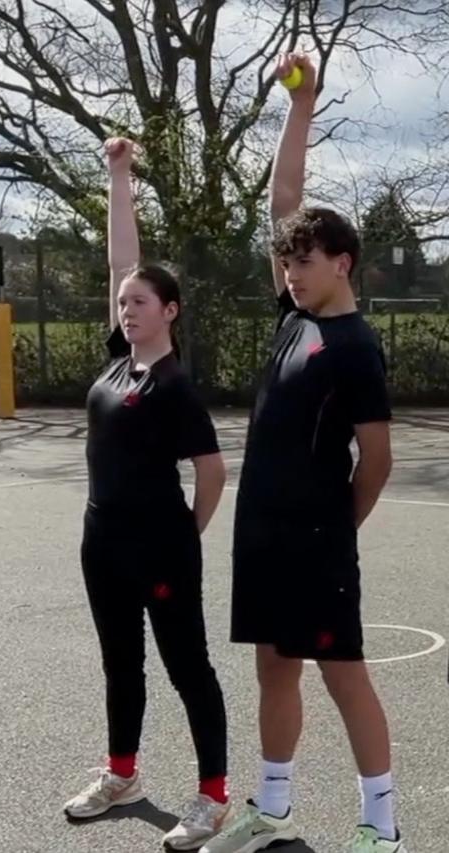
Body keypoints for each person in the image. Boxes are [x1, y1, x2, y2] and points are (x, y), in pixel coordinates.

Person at [201, 53, 407, 853]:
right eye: (286, 261)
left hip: (317, 539)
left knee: (342, 671)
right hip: (265, 536)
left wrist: (336, 524)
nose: (289, 272)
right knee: (274, 670)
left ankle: (381, 827)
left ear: (341, 262)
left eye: (304, 261)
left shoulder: (355, 347)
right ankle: (274, 810)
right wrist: (301, 106)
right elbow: (284, 201)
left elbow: (378, 459)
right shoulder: (295, 319)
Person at [64, 138, 233, 851]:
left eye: (141, 302)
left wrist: (182, 534)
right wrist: (118, 176)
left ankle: (213, 797)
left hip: (160, 545)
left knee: (187, 666)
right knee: (119, 663)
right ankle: (122, 773)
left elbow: (213, 470)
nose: (128, 308)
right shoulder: (118, 363)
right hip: (101, 541)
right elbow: (119, 260)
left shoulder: (175, 387)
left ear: (170, 311)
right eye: (124, 302)